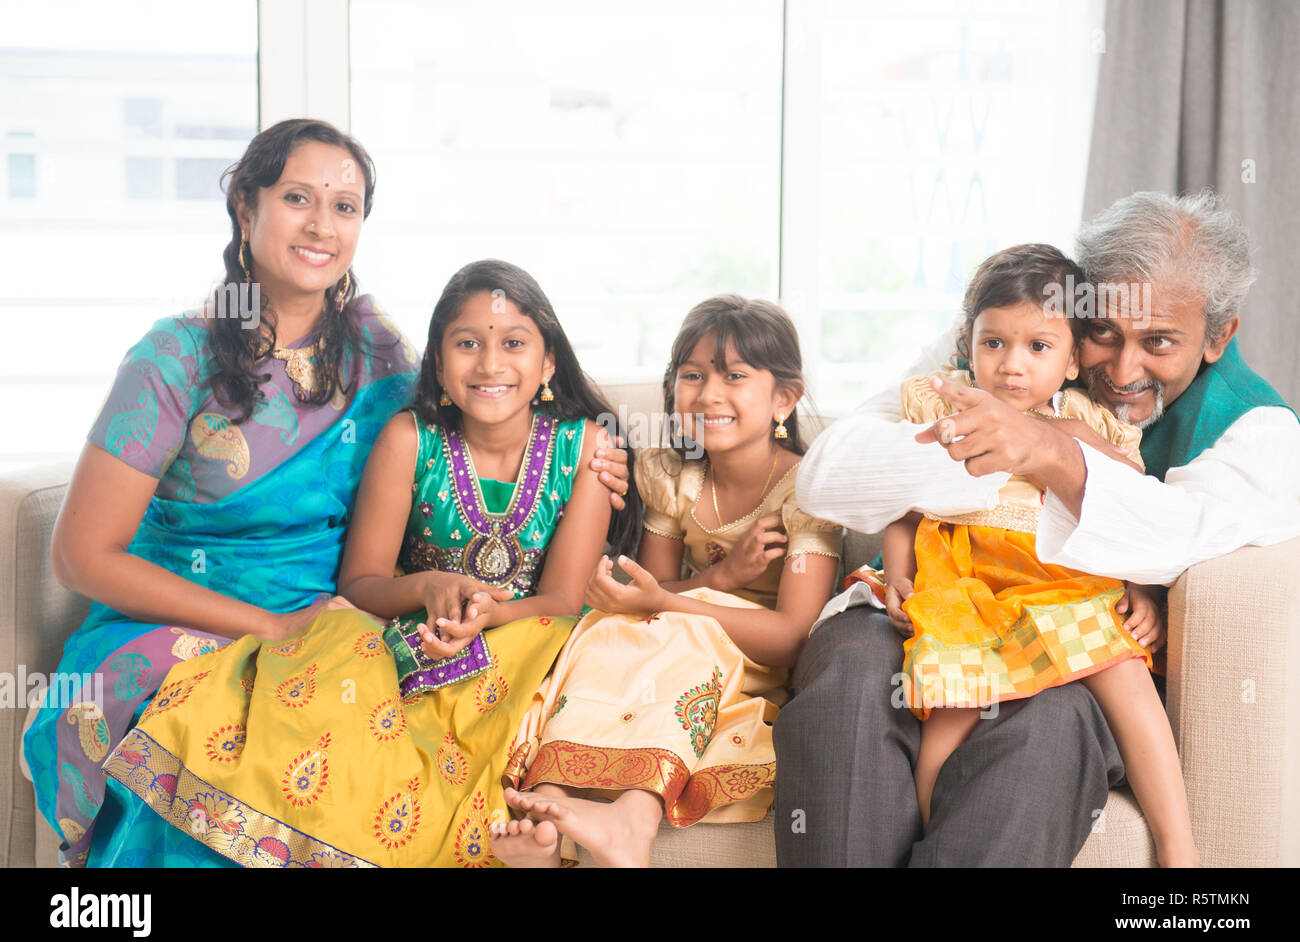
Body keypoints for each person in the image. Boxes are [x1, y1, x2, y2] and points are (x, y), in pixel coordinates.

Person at [23, 120, 631, 868]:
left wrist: (600, 458)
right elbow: (82, 556)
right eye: (298, 198)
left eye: (345, 206)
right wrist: (270, 630)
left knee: (375, 747)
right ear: (246, 209)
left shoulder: (377, 352)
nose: (322, 224)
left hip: (342, 624)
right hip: (178, 617)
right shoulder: (172, 357)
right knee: (209, 730)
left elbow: (478, 423)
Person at [777, 189, 1300, 867]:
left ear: (1218, 335)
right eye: (1104, 331)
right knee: (854, 673)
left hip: (1068, 634)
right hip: (922, 603)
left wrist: (1046, 450)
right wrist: (995, 460)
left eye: (1159, 342)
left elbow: (1176, 534)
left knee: (1047, 730)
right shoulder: (1000, 345)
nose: (1121, 368)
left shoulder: (1257, 429)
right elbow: (829, 476)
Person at [491, 296, 842, 867]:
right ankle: (546, 811)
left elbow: (793, 636)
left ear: (784, 398)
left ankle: (633, 819)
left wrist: (675, 599)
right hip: (666, 633)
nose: (708, 394)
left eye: (734, 376)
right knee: (606, 631)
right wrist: (721, 575)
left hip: (748, 662)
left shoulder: (807, 491)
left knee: (685, 633)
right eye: (692, 376)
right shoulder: (672, 474)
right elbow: (648, 593)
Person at [880, 244, 1196, 866]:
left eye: (1038, 347)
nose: (1011, 366)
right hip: (967, 580)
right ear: (968, 342)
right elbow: (902, 505)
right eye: (993, 343)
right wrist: (898, 574)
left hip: (1064, 578)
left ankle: (1178, 846)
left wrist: (1142, 585)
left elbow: (1130, 498)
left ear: (1075, 358)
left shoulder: (1086, 422)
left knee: (1126, 674)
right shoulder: (946, 407)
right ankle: (927, 837)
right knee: (948, 714)